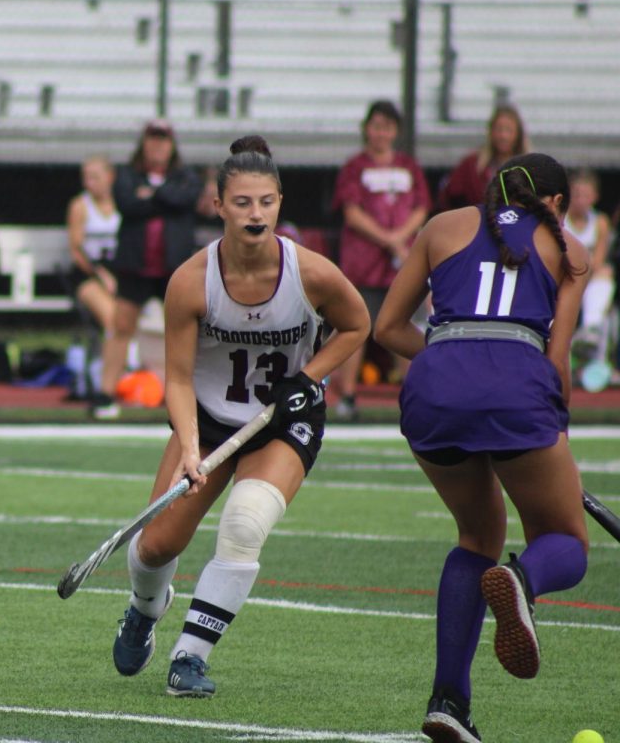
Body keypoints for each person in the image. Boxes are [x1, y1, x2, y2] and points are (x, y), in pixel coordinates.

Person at [110, 136, 369, 698]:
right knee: (156, 546)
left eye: (267, 202)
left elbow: (357, 324)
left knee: (245, 523)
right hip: (208, 417)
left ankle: (189, 658)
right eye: (244, 203)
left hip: (284, 420)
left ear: (280, 203)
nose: (256, 214)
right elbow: (176, 377)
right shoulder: (190, 280)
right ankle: (143, 609)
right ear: (218, 205)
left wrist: (310, 377)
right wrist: (187, 444)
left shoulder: (312, 273)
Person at [374, 153, 589, 741]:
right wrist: (550, 421)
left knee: (476, 537)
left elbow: (387, 328)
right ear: (555, 204)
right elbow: (558, 361)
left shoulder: (440, 226)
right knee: (565, 540)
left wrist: (455, 368)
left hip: (434, 386)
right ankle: (523, 581)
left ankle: (449, 702)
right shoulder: (569, 247)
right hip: (519, 384)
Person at [92, 119, 202, 419]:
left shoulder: (185, 176)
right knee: (121, 327)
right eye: (152, 140)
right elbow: (128, 203)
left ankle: (185, 395)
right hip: (135, 266)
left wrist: (152, 196)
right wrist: (162, 198)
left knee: (181, 331)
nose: (157, 147)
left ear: (172, 145)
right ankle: (105, 393)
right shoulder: (128, 175)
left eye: (163, 141)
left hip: (173, 268)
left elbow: (183, 199)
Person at [329, 99, 430, 420]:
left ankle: (417, 395)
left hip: (402, 263)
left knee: (408, 326)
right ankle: (347, 396)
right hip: (364, 264)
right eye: (376, 126)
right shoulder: (354, 167)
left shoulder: (409, 166)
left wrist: (401, 239)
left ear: (396, 131)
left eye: (387, 127)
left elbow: (421, 208)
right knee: (356, 326)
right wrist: (391, 240)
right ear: (366, 129)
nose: (381, 133)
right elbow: (352, 213)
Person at [436, 103, 530, 213]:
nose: (503, 136)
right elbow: (451, 195)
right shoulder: (472, 165)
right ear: (490, 132)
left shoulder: (528, 167)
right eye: (499, 129)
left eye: (509, 130)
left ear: (518, 134)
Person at [563, 169, 615, 367]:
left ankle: (590, 330)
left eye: (585, 195)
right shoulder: (560, 220)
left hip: (586, 278)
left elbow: (598, 262)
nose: (580, 200)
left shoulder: (600, 222)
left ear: (595, 197)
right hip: (564, 277)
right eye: (576, 195)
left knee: (605, 272)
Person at [65, 155, 120, 334]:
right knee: (113, 318)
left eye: (95, 177)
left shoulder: (122, 203)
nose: (89, 183)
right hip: (88, 273)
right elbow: (76, 250)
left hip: (119, 271)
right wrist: (101, 275)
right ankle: (119, 361)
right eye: (86, 177)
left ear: (110, 177)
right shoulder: (80, 206)